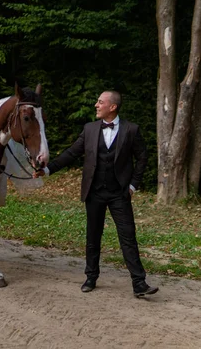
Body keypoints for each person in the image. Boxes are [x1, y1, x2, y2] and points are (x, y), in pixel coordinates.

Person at [34, 91, 158, 297]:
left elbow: (142, 158)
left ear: (113, 107)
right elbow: (71, 153)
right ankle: (91, 277)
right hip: (94, 192)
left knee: (128, 237)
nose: (96, 105)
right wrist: (47, 170)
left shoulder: (131, 130)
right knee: (93, 236)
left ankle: (139, 283)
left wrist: (133, 185)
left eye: (100, 102)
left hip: (120, 194)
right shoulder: (90, 129)